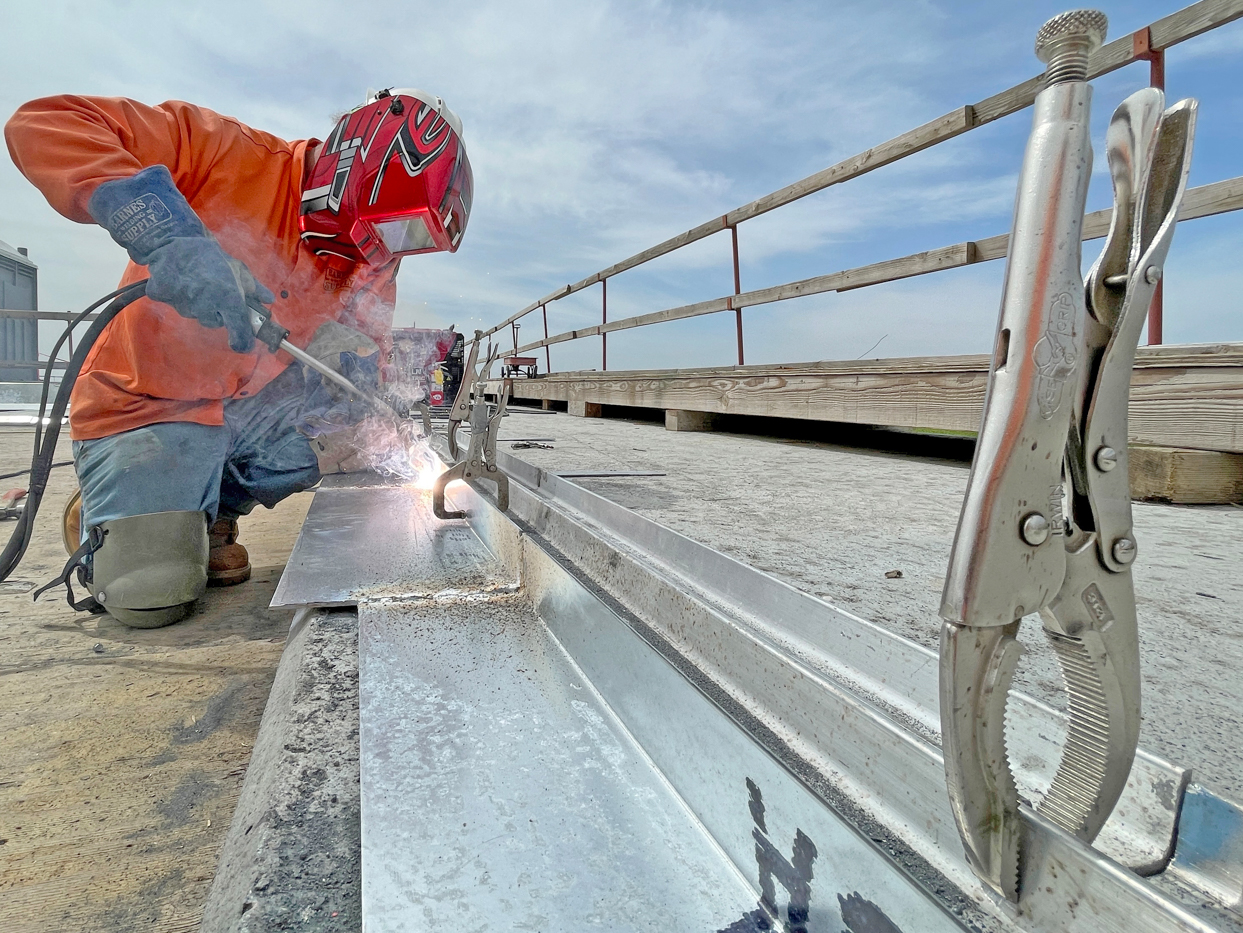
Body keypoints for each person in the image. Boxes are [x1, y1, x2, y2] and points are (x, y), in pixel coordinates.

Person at [4, 88, 473, 627]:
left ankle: (213, 514)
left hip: (244, 413)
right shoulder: (227, 153)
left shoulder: (375, 261)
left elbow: (367, 347)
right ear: (356, 169)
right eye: (392, 229)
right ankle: (113, 512)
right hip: (150, 408)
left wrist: (377, 406)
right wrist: (166, 237)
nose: (385, 252)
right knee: (155, 595)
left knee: (356, 422)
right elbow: (46, 122)